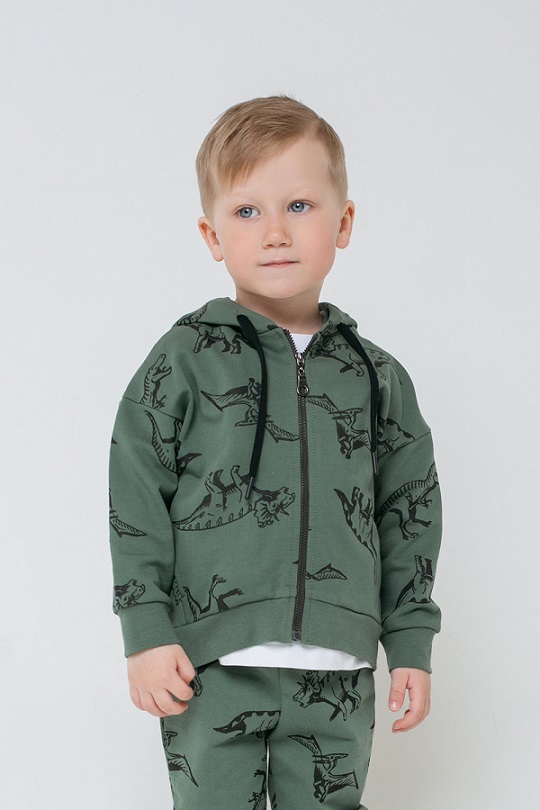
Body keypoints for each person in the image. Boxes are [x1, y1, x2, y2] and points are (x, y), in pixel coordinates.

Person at [108, 94, 443, 809]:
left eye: (299, 205)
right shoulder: (184, 359)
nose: (275, 233)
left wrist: (411, 643)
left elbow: (409, 511)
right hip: (209, 664)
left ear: (343, 221)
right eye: (246, 211)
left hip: (339, 671)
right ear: (212, 235)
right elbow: (136, 491)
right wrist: (145, 630)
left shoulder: (377, 376)